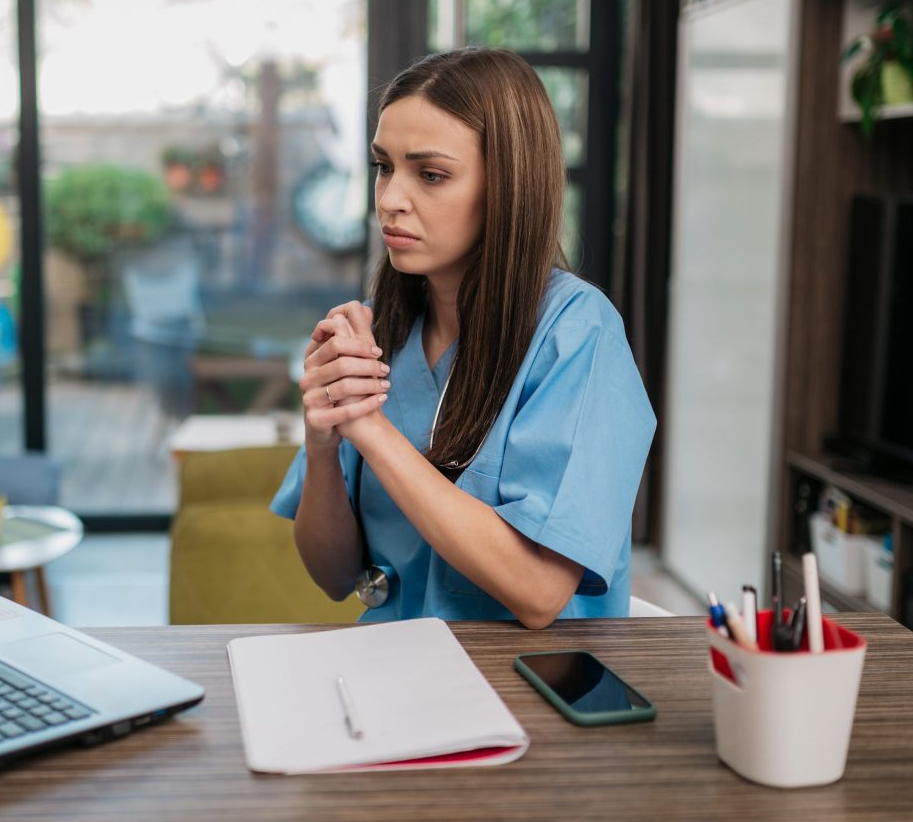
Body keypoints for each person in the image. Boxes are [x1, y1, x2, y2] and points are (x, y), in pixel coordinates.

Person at [270, 47, 656, 627]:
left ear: (508, 185)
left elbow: (538, 592)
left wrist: (370, 430)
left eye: (431, 175)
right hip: (393, 672)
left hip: (528, 683)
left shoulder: (577, 333)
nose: (390, 199)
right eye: (384, 166)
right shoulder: (378, 333)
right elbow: (333, 577)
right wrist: (323, 440)